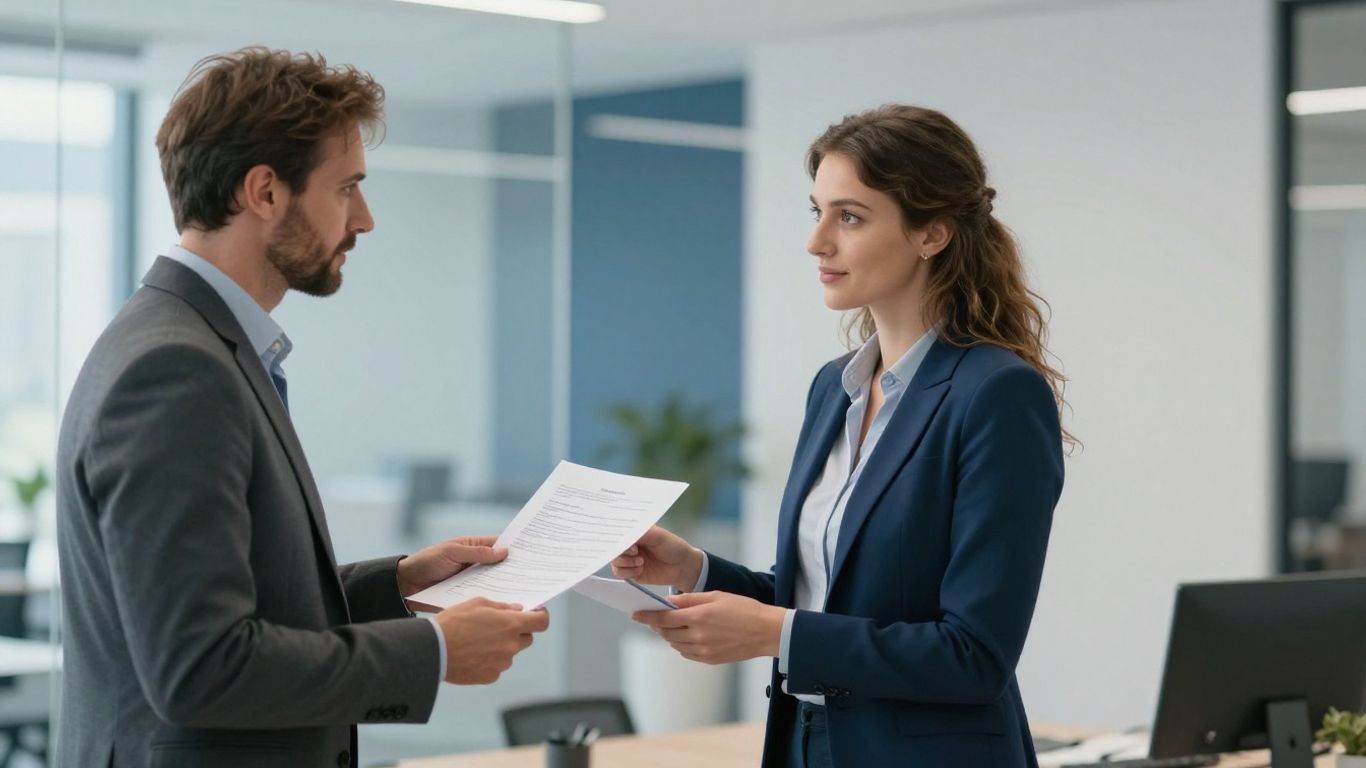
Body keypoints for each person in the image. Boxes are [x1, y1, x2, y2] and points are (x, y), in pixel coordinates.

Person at [55, 47, 548, 768]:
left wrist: (399, 583)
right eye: (346, 188)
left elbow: (237, 600)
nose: (366, 219)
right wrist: (435, 650)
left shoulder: (191, 343)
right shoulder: (175, 368)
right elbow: (201, 666)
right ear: (265, 192)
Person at [614, 104, 1068, 768]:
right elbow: (828, 599)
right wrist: (697, 570)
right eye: (816, 211)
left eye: (849, 217)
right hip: (807, 742)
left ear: (931, 234)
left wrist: (776, 632)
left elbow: (974, 655)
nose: (817, 241)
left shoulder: (995, 393)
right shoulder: (836, 388)